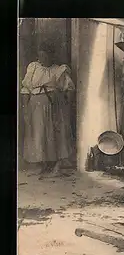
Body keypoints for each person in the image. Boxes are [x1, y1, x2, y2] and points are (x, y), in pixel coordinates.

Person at [20, 40, 75, 178]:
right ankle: (40, 165)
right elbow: (26, 89)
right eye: (41, 56)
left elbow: (69, 89)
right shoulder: (33, 68)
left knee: (56, 134)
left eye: (45, 56)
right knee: (38, 134)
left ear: (51, 56)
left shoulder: (59, 70)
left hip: (54, 106)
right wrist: (25, 108)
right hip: (35, 105)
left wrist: (65, 105)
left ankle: (57, 166)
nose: (43, 59)